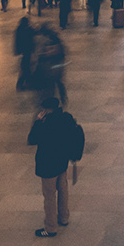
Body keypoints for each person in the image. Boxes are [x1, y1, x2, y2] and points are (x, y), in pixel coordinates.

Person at [28, 97, 84, 238]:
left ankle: (51, 227)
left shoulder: (46, 124)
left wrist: (38, 122)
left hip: (48, 164)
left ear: (46, 109)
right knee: (63, 189)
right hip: (62, 162)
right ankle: (63, 217)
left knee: (49, 196)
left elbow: (32, 138)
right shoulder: (66, 118)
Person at [14, 17, 36, 91]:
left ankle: (28, 79)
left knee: (26, 65)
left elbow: (16, 41)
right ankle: (20, 83)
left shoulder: (19, 29)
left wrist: (17, 50)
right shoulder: (28, 30)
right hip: (27, 50)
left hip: (23, 50)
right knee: (25, 66)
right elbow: (34, 33)